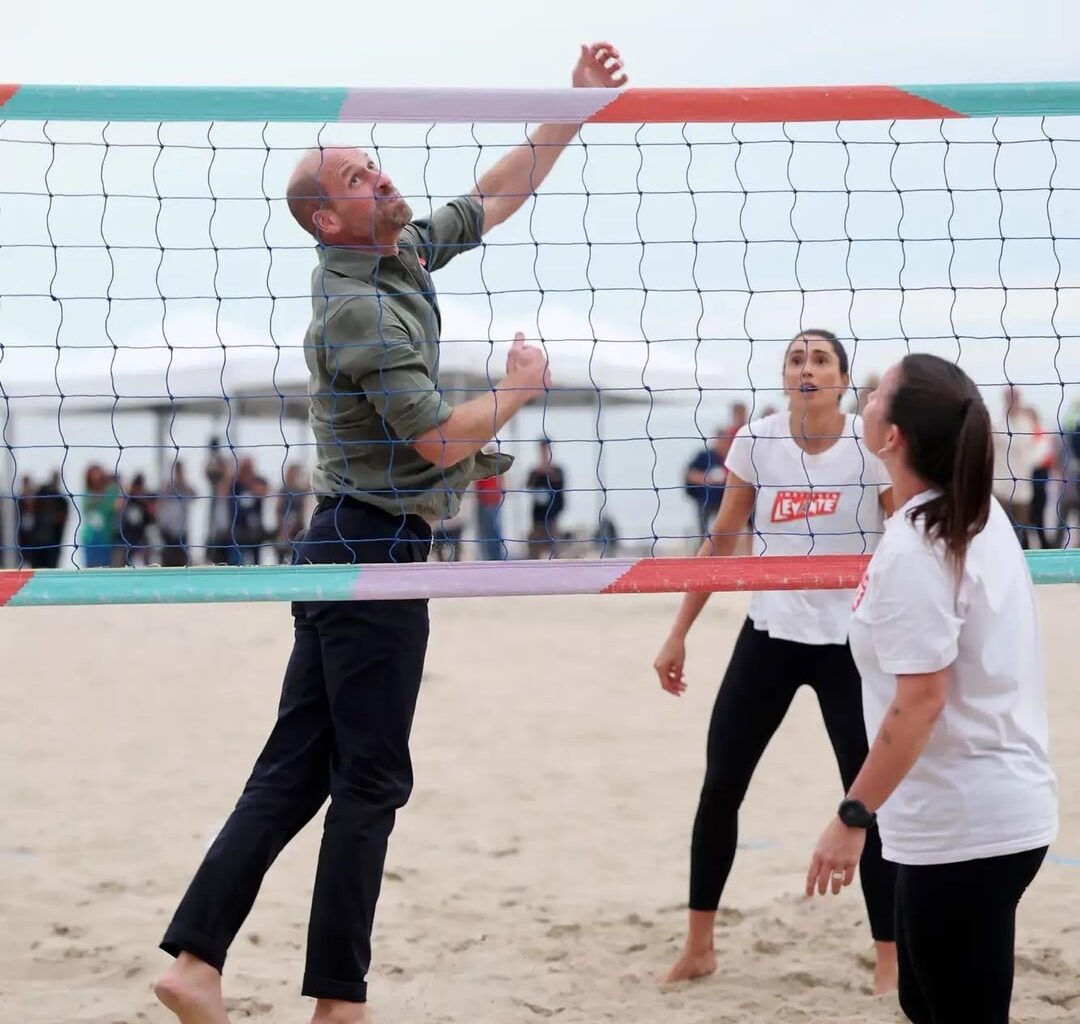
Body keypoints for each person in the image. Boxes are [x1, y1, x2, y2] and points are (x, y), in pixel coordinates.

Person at [154, 41, 627, 1024]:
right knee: (369, 779)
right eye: (358, 179)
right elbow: (439, 435)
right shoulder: (360, 308)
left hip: (350, 541)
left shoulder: (398, 248)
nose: (381, 178)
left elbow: (493, 196)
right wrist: (517, 390)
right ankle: (339, 1002)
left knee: (296, 768)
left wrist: (570, 108)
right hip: (368, 551)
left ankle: (196, 962)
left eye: (375, 165)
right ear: (328, 220)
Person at [805, 353, 1057, 1024]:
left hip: (966, 825)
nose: (864, 396)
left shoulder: (919, 548)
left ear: (893, 437)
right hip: (979, 815)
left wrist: (850, 817)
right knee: (924, 1001)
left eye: (877, 392)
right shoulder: (977, 513)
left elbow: (920, 702)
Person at [653, 329, 898, 993]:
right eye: (795, 359)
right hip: (770, 633)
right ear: (784, 376)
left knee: (868, 799)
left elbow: (907, 540)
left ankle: (889, 960)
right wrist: (679, 633)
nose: (806, 368)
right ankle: (699, 947)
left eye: (820, 359)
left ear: (842, 380)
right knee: (720, 787)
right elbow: (722, 538)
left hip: (849, 643)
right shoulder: (757, 441)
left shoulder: (870, 447)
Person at [992, 385, 1036, 548]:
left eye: (1015, 397)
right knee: (1000, 536)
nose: (1013, 401)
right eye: (1009, 397)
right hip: (1001, 490)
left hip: (1023, 491)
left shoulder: (1026, 424)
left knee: (1021, 537)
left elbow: (1029, 449)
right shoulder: (996, 423)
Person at [526, 439, 567, 558]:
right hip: (538, 517)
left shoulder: (557, 471)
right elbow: (529, 487)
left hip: (553, 516)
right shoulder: (534, 472)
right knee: (533, 547)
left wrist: (547, 471)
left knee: (555, 549)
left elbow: (560, 486)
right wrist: (539, 472)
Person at [473, 472, 506, 560]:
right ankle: (488, 558)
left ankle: (495, 559)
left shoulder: (495, 466)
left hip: (491, 500)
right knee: (484, 532)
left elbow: (502, 477)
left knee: (492, 532)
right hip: (482, 499)